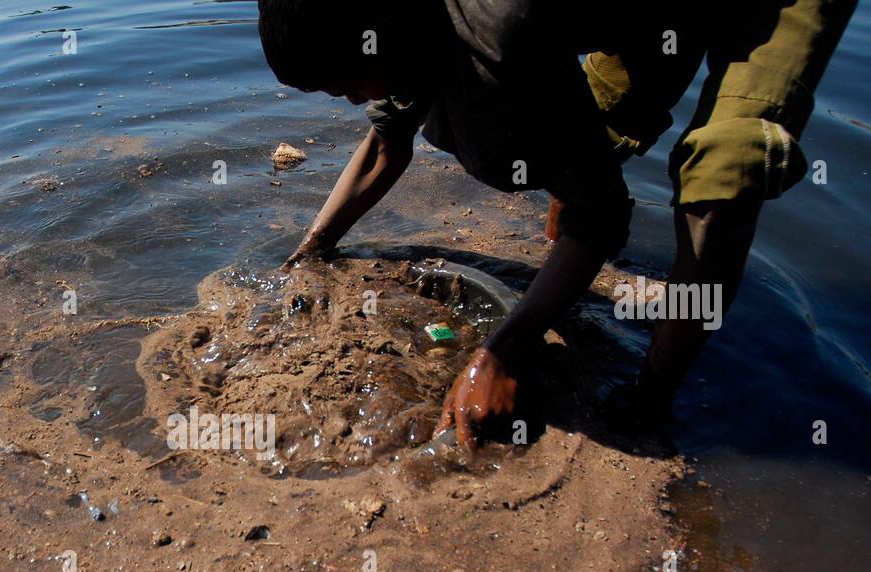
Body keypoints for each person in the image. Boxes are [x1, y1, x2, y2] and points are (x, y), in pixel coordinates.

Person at [257, 0, 856, 447]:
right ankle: (569, 214)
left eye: (350, 85)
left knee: (724, 172)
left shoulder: (496, 32)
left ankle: (645, 406)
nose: (355, 102)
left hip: (766, 8)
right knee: (588, 126)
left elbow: (605, 220)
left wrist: (500, 352)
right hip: (649, 16)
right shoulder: (401, 31)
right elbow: (388, 143)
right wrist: (311, 250)